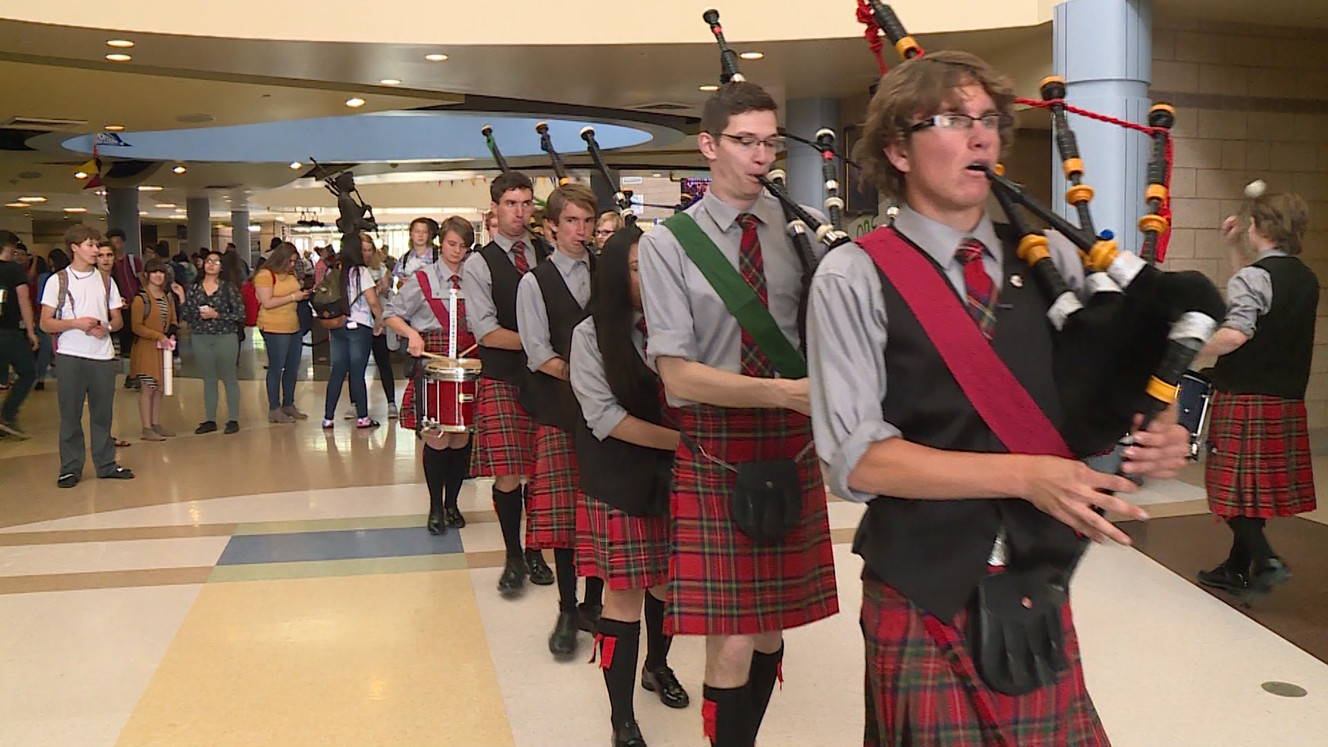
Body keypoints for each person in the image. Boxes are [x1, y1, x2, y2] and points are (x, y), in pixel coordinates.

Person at [805, 50, 1191, 745]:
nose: (981, 136)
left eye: (989, 120)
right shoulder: (853, 275)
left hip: (1034, 584)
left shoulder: (1053, 263)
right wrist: (1026, 474)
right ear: (896, 147)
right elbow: (856, 460)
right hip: (922, 590)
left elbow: (1127, 375)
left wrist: (1165, 425)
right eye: (953, 119)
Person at [636, 81, 838, 746]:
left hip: (795, 445)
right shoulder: (670, 244)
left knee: (770, 626)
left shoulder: (805, 229)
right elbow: (677, 374)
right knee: (729, 638)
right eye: (744, 141)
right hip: (718, 444)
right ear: (708, 145)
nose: (760, 155)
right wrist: (786, 392)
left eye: (768, 142)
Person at [571, 227, 690, 747]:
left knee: (666, 583)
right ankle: (622, 718)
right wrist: (683, 443)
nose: (652, 277)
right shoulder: (589, 334)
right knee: (623, 597)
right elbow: (605, 418)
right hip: (617, 475)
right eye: (641, 267)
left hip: (674, 476)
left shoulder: (677, 325)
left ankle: (656, 666)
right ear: (617, 275)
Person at [1197, 192, 1318, 597]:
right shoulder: (1305, 279)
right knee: (1253, 491)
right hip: (1284, 398)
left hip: (1244, 395)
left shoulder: (1252, 279)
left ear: (1259, 227)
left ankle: (1265, 559)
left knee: (1228, 487)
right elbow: (1253, 294)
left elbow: (1236, 332)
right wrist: (1233, 248)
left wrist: (1188, 346)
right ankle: (1236, 567)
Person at [516, 183, 603, 656]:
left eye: (587, 222)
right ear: (550, 226)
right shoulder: (536, 282)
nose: (581, 231)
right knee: (566, 514)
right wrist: (585, 376)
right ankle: (568, 607)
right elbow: (537, 354)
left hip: (606, 414)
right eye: (571, 221)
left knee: (600, 509)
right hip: (560, 410)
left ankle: (595, 602)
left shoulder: (605, 273)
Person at [461, 170, 555, 594]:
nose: (520, 212)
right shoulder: (480, 264)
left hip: (549, 380)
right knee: (508, 474)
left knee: (543, 473)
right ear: (495, 210)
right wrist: (541, 344)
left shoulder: (549, 253)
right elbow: (486, 332)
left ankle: (536, 549)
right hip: (505, 377)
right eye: (511, 204)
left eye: (526, 203)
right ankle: (513, 553)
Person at [386, 216, 476, 533]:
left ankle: (452, 503)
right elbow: (391, 313)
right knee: (437, 438)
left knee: (462, 437)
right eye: (452, 244)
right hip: (434, 364)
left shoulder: (476, 278)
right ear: (441, 243)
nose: (457, 251)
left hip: (467, 365)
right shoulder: (422, 279)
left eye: (464, 246)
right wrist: (411, 334)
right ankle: (435, 508)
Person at [40, 224, 133, 487]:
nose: (96, 250)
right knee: (70, 414)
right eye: (90, 245)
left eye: (96, 245)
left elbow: (117, 320)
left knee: (103, 414)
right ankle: (70, 467)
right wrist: (76, 323)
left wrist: (107, 328)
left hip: (102, 356)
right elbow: (46, 323)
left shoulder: (106, 280)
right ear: (74, 248)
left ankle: (106, 463)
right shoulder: (57, 281)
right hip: (70, 356)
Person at [321, 238, 384, 429]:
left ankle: (328, 418)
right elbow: (373, 302)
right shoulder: (361, 272)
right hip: (359, 326)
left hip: (338, 325)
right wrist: (380, 321)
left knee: (337, 371)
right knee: (357, 373)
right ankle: (363, 417)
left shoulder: (334, 271)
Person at [184, 251, 245, 435]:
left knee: (229, 378)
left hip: (225, 336)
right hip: (200, 336)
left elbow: (240, 314)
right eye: (208, 261)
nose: (211, 264)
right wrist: (183, 302)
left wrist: (217, 315)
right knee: (209, 379)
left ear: (222, 266)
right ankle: (210, 419)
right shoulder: (194, 288)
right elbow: (186, 314)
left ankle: (233, 419)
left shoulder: (228, 288)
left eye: (216, 262)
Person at [253, 242, 311, 423]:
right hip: (273, 327)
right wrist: (294, 296)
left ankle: (289, 404)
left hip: (293, 325)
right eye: (290, 261)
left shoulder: (289, 275)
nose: (292, 265)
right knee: (276, 367)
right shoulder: (265, 275)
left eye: (294, 262)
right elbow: (267, 302)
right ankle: (274, 408)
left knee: (293, 367)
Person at [128, 259, 179, 442]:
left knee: (159, 388)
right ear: (148, 275)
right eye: (154, 272)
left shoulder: (167, 297)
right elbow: (136, 326)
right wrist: (158, 335)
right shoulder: (141, 299)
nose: (158, 275)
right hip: (147, 348)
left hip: (163, 349)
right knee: (148, 388)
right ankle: (147, 427)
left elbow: (173, 320)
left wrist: (171, 335)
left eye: (161, 272)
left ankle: (156, 423)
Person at [0, 233, 38, 438]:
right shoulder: (13, 269)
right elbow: (24, 300)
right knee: (28, 372)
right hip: (8, 331)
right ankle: (7, 415)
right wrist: (31, 331)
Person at [362, 235, 398, 419]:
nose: (367, 253)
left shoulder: (380, 268)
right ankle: (356, 403)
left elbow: (386, 290)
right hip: (361, 321)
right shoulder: (354, 270)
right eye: (364, 250)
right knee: (357, 365)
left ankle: (391, 401)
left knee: (383, 362)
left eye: (369, 250)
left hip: (378, 320)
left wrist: (380, 288)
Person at [108, 228, 142, 387]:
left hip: (134, 305)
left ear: (123, 243)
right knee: (123, 343)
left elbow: (142, 281)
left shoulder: (132, 262)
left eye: (118, 242)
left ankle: (134, 373)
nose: (115, 246)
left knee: (135, 340)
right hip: (116, 309)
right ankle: (129, 374)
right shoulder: (107, 266)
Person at [31, 250, 64, 392]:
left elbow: (40, 299)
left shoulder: (45, 277)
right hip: (65, 317)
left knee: (45, 348)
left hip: (47, 316)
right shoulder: (67, 277)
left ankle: (41, 378)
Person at [396, 217, 440, 282]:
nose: (420, 235)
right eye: (417, 231)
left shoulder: (438, 256)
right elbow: (399, 283)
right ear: (411, 234)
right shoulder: (404, 259)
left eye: (424, 232)